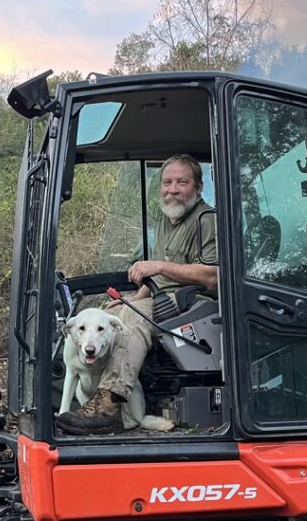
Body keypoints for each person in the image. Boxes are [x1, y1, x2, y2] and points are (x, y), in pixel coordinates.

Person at [56, 154, 217, 435]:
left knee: (131, 319)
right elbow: (158, 279)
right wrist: (132, 297)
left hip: (193, 302)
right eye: (167, 183)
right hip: (161, 298)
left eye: (182, 182)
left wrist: (157, 268)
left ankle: (108, 403)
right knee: (110, 314)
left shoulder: (206, 219)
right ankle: (105, 397)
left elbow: (213, 276)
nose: (173, 189)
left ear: (198, 187)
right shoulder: (168, 218)